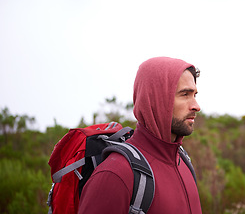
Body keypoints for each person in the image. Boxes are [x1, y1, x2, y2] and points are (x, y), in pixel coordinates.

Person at [78, 57, 202, 214]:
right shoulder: (116, 174)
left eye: (195, 95)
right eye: (185, 94)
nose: (196, 106)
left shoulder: (183, 161)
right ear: (157, 99)